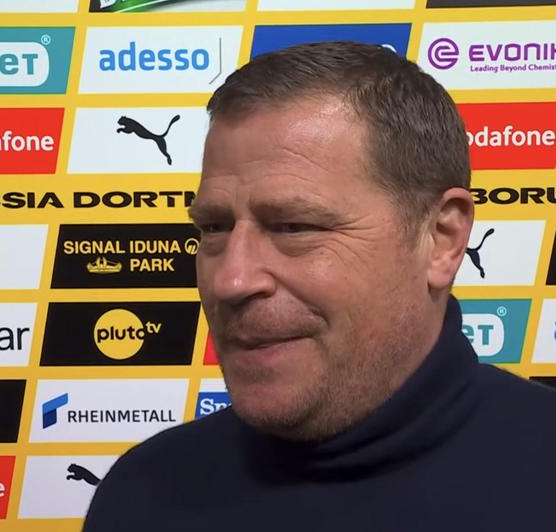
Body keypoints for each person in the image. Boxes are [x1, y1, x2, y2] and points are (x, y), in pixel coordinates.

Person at [84, 41, 556, 531]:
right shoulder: (142, 493)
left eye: (294, 227)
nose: (231, 280)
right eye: (214, 227)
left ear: (441, 239)